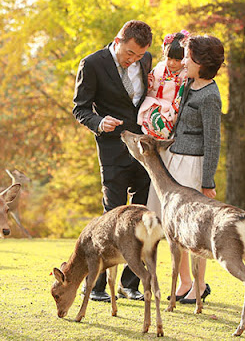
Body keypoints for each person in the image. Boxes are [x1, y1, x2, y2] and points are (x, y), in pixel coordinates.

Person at [72, 20, 153, 302]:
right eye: (130, 53)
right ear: (118, 40)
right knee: (111, 217)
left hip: (143, 150)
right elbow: (80, 108)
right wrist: (98, 122)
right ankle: (95, 286)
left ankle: (130, 284)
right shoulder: (92, 64)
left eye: (139, 56)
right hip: (112, 150)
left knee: (141, 216)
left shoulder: (147, 60)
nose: (134, 60)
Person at [148, 34, 225, 304]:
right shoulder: (188, 84)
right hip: (172, 159)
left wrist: (208, 181)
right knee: (172, 226)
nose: (185, 61)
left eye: (189, 57)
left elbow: (213, 141)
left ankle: (199, 285)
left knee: (192, 227)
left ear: (201, 62)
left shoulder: (210, 96)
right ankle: (184, 282)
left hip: (192, 166)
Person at [137, 30, 189, 140]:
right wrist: (149, 84)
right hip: (156, 102)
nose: (172, 63)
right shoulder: (159, 69)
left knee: (168, 125)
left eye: (177, 60)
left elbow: (181, 96)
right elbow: (150, 89)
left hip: (173, 106)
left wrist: (174, 111)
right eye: (169, 58)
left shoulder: (185, 74)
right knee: (153, 117)